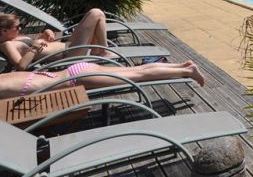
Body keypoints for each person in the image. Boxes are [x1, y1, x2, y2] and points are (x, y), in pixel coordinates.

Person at [0, 60, 205, 99]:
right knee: (137, 70)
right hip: (77, 71)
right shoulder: (5, 77)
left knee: (139, 75)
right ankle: (182, 66)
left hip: (80, 79)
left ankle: (186, 72)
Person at [0, 9, 110, 70]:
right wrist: (35, 47)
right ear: (4, 31)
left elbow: (40, 47)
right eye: (17, 27)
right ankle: (104, 50)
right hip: (69, 54)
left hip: (68, 45)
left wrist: (45, 34)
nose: (20, 28)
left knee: (93, 14)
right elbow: (21, 66)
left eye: (20, 26)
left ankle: (97, 50)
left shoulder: (16, 38)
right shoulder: (8, 45)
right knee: (97, 13)